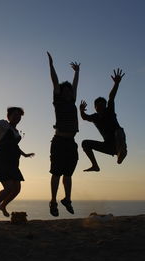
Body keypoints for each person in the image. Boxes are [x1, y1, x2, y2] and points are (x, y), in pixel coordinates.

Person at [47, 52, 80, 217]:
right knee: (56, 173)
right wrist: (51, 65)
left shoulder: (72, 101)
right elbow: (54, 81)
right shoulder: (58, 101)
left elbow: (75, 86)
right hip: (59, 141)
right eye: (65, 90)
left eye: (69, 91)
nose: (68, 92)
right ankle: (53, 201)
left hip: (71, 142)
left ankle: (67, 199)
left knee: (68, 174)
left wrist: (77, 72)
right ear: (61, 92)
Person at [80, 68, 127, 172]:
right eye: (98, 105)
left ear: (105, 106)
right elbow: (84, 117)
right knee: (85, 143)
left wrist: (116, 84)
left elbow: (111, 97)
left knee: (119, 131)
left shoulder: (109, 110)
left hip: (118, 141)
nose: (101, 107)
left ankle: (121, 152)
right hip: (108, 146)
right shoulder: (95, 117)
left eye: (103, 105)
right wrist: (81, 110)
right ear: (95, 107)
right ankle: (95, 165)